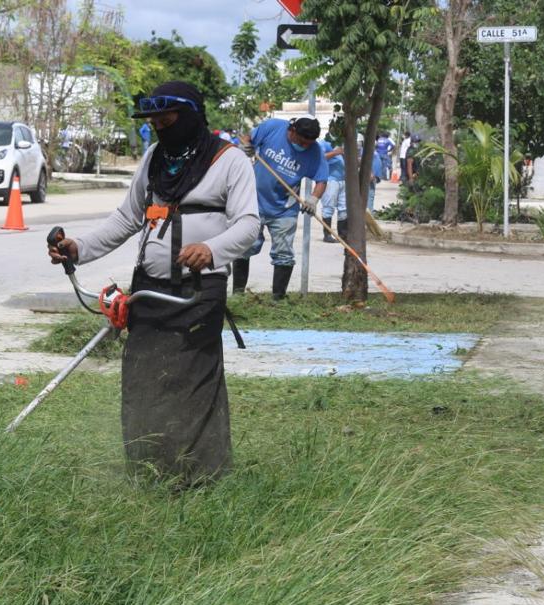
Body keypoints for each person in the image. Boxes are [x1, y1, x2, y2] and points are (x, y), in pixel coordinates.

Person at [47, 81, 259, 486]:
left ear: (192, 115)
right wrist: (79, 248)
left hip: (199, 291)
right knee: (144, 378)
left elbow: (249, 224)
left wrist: (212, 249)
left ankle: (198, 476)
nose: (160, 127)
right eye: (155, 121)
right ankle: (148, 470)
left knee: (192, 381)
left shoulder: (230, 161)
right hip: (149, 287)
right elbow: (128, 218)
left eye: (168, 119)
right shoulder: (154, 159)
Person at [233, 117, 328, 297]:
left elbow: (321, 179)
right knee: (245, 248)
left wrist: (313, 199)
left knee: (284, 253)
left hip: (285, 209)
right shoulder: (273, 127)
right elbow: (247, 138)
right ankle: (238, 294)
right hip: (253, 202)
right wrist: (244, 147)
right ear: (291, 130)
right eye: (301, 142)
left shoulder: (315, 152)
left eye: (308, 143)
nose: (304, 146)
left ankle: (278, 299)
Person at [318, 138, 346, 243]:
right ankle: (327, 235)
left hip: (343, 180)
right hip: (330, 180)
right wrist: (335, 153)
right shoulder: (324, 143)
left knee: (344, 208)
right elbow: (319, 158)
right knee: (328, 207)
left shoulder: (344, 142)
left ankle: (342, 235)